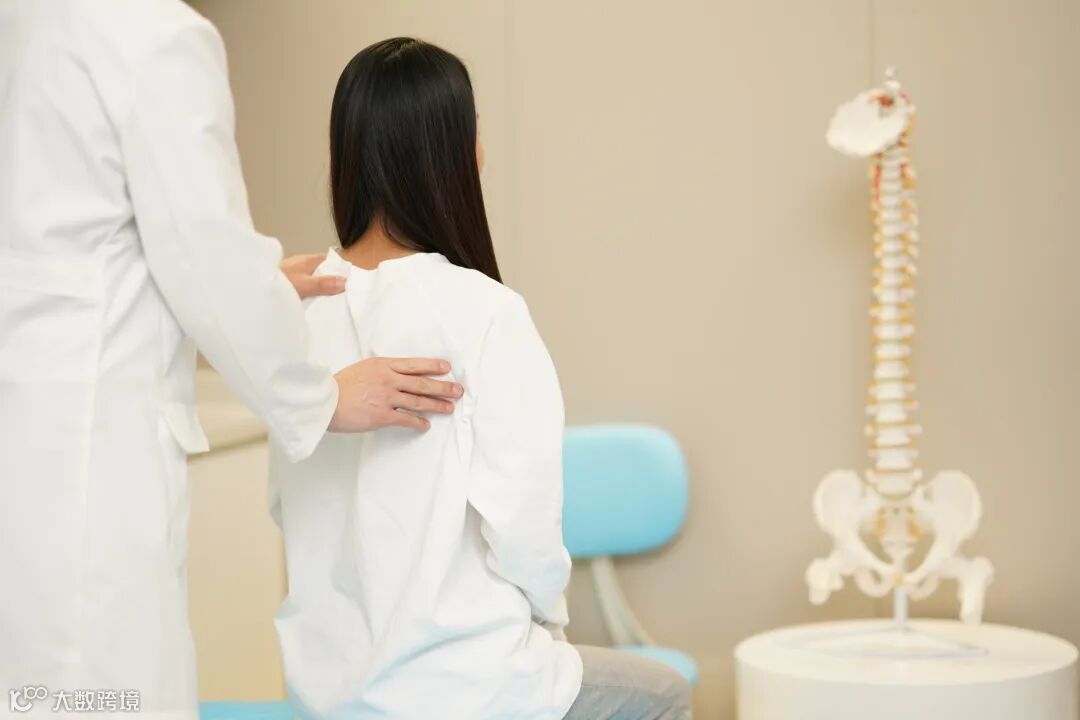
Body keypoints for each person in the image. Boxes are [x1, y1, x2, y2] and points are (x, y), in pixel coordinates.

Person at [0, 3, 461, 718]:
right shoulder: (152, 37)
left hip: (31, 446)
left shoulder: (27, 24)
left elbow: (81, 252)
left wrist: (258, 286)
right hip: (87, 466)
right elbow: (204, 255)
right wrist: (321, 398)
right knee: (92, 691)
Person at [270, 37, 692, 720]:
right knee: (664, 695)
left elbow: (282, 508)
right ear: (454, 155)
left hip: (329, 694)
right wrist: (547, 623)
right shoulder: (486, 312)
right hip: (468, 689)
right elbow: (525, 531)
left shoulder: (294, 315)